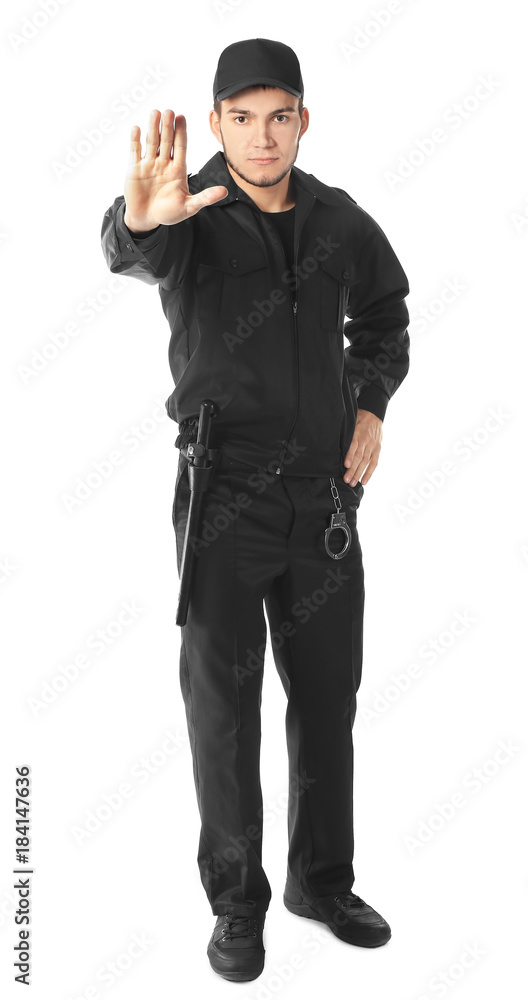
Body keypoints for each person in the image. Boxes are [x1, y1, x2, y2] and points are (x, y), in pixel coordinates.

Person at [101, 37, 410, 984]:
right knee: (223, 711)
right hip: (223, 498)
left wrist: (369, 402)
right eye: (242, 118)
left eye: (279, 117)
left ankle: (323, 882)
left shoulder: (339, 220)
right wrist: (139, 221)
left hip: (323, 501)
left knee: (326, 699)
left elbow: (386, 316)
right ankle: (238, 904)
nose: (262, 136)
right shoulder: (188, 208)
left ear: (303, 121)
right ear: (217, 122)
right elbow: (133, 247)